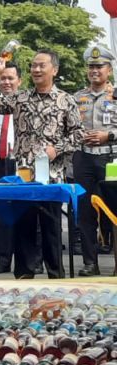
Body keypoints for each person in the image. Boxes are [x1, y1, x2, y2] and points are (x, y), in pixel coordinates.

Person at [0, 49, 84, 279]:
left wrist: (56, 149)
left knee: (51, 228)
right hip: (24, 173)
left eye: (41, 65)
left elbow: (78, 134)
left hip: (52, 175)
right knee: (24, 226)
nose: (36, 70)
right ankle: (24, 275)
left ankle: (55, 275)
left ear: (54, 70)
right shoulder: (21, 98)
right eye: (33, 65)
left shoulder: (65, 100)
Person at [73, 45, 117, 277]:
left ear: (109, 69)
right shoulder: (77, 97)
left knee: (114, 211)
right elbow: (67, 127)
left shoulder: (116, 95)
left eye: (99, 66)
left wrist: (107, 135)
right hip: (84, 158)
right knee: (85, 212)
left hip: (111, 158)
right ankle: (90, 262)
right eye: (91, 66)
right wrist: (78, 135)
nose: (94, 70)